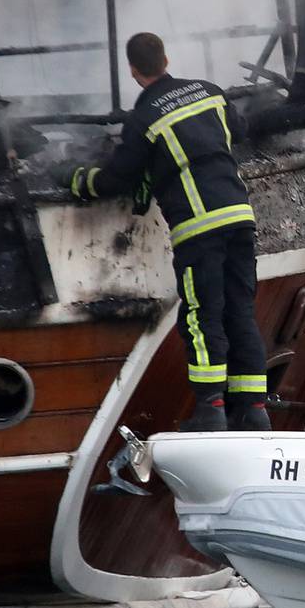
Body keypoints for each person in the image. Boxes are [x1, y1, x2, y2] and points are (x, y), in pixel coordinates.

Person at [70, 32, 268, 432]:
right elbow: (239, 131)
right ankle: (254, 410)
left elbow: (118, 178)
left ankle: (211, 410)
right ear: (166, 58)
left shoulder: (145, 117)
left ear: (133, 70)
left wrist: (79, 181)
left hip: (199, 228)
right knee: (240, 309)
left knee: (201, 313)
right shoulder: (209, 92)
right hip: (239, 215)